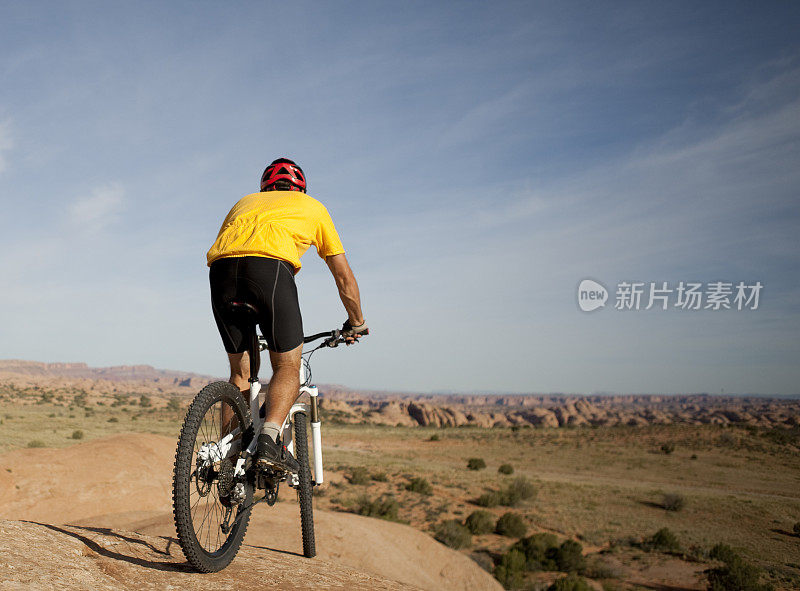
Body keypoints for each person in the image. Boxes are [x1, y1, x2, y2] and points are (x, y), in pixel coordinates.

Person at [206, 157, 368, 472]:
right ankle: (268, 440)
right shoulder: (313, 207)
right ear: (300, 189)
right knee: (287, 366)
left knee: (240, 374)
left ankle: (228, 459)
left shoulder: (244, 202)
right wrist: (356, 322)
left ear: (265, 187)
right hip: (270, 272)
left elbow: (231, 244)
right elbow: (344, 277)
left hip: (221, 273)